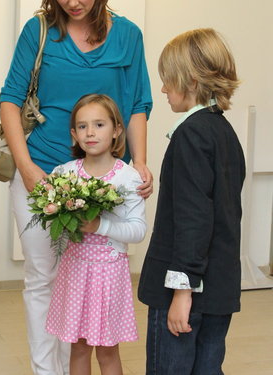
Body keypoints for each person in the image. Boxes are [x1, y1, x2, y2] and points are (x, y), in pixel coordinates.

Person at [0, 1, 152, 373]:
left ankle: (74, 367)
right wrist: (28, 168)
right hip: (41, 173)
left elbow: (137, 104)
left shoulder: (128, 35)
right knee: (41, 276)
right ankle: (45, 370)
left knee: (82, 281)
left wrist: (140, 162)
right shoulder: (38, 31)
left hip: (101, 181)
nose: (74, 2)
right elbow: (10, 99)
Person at [137, 28, 244, 375]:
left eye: (168, 80)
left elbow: (194, 219)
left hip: (187, 292)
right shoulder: (224, 132)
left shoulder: (190, 135)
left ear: (192, 82)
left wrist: (182, 292)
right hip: (218, 290)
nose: (164, 89)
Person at [45, 94, 146, 375]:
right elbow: (54, 221)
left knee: (107, 350)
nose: (90, 132)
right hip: (75, 271)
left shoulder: (128, 177)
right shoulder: (64, 174)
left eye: (99, 125)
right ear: (74, 134)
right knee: (77, 347)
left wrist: (99, 226)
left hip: (109, 275)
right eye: (82, 126)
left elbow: (138, 230)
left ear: (116, 130)